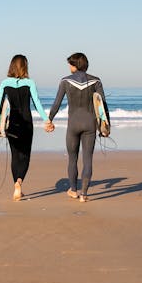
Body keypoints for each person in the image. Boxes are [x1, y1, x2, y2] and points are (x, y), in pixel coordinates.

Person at [46, 53, 109, 202]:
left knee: (72, 159)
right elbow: (103, 106)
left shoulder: (65, 81)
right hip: (90, 124)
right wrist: (106, 127)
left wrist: (49, 119)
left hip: (73, 124)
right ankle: (84, 194)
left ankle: (73, 190)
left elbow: (56, 103)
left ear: (75, 65)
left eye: (70, 64)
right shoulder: (96, 81)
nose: (69, 67)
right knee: (88, 159)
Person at [0, 54, 50, 201]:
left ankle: (15, 186)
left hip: (12, 123)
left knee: (15, 155)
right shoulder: (30, 83)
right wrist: (47, 119)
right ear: (25, 66)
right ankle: (19, 182)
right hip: (26, 122)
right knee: (25, 155)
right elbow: (37, 103)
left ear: (11, 66)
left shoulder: (4, 83)